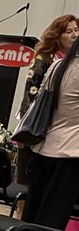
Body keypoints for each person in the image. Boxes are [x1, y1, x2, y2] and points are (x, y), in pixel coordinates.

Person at [15, 14, 79, 196]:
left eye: (76, 30)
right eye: (69, 31)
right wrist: (24, 129)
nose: (75, 35)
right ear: (57, 36)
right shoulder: (45, 58)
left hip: (61, 135)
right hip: (36, 127)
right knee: (27, 185)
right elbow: (30, 93)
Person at [21, 36, 79, 230]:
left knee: (33, 213)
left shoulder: (58, 65)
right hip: (70, 154)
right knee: (52, 219)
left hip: (44, 148)